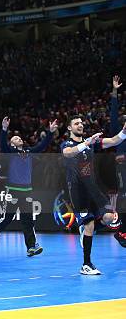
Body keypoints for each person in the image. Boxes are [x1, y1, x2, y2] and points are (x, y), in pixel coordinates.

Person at [61, 115, 126, 274]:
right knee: (89, 223)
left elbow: (114, 141)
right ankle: (86, 264)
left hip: (94, 189)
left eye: (81, 123)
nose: (80, 125)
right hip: (78, 191)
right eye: (76, 123)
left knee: (110, 217)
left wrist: (124, 132)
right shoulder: (67, 143)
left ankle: (87, 230)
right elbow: (68, 153)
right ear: (70, 128)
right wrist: (86, 143)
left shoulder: (91, 142)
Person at [0, 117, 58, 256]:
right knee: (7, 218)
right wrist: (4, 129)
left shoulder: (28, 152)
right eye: (15, 138)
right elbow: (3, 144)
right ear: (12, 144)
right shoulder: (10, 152)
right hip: (12, 190)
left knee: (28, 219)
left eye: (19, 138)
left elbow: (42, 146)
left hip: (26, 191)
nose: (19, 139)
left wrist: (50, 132)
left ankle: (31, 247)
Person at [110, 76, 126, 247]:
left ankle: (122, 232)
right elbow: (113, 114)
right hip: (122, 168)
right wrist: (115, 91)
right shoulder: (117, 132)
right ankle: (121, 231)